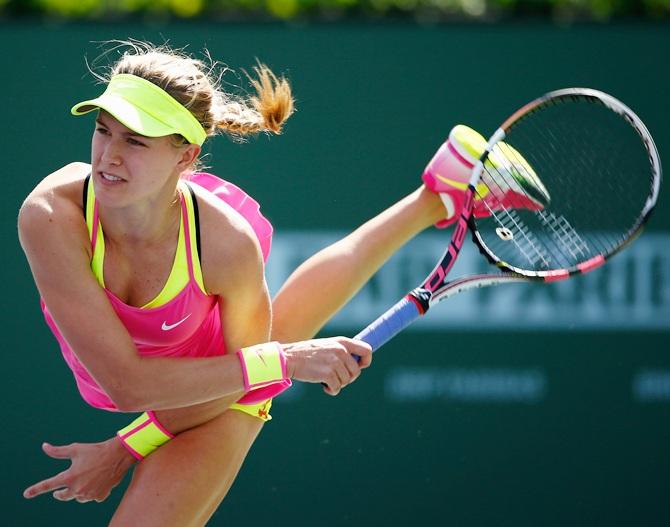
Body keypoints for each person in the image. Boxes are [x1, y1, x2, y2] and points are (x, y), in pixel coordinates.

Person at [19, 42, 543, 526]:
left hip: (223, 388)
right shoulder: (51, 215)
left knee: (264, 353)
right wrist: (287, 357)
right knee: (278, 339)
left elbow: (249, 379)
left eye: (135, 140)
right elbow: (126, 383)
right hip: (177, 374)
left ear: (185, 157)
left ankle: (438, 192)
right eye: (104, 130)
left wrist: (123, 448)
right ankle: (438, 192)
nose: (109, 155)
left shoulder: (226, 243)